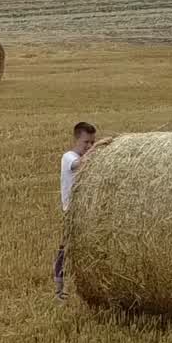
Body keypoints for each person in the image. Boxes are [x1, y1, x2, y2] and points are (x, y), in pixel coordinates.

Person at [55, 121, 108, 300]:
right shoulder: (68, 157)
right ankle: (59, 290)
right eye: (86, 142)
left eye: (92, 142)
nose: (89, 146)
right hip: (71, 212)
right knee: (65, 249)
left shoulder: (88, 157)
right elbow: (79, 164)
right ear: (76, 140)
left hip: (86, 211)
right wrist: (98, 149)